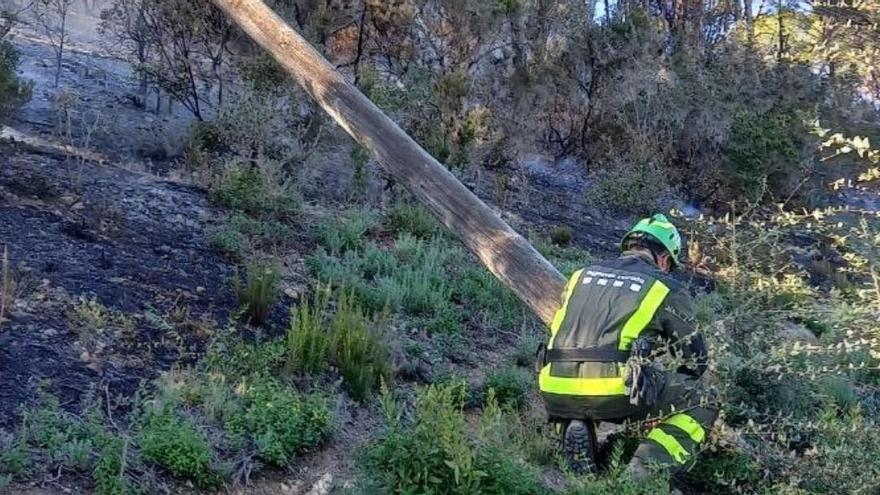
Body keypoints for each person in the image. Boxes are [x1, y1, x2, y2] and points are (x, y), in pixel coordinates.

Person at [537, 213, 716, 478]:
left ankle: (573, 425)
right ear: (664, 259)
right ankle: (644, 470)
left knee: (575, 382)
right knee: (705, 400)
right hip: (613, 388)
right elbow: (694, 360)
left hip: (552, 383)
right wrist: (661, 386)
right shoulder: (665, 285)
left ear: (628, 247)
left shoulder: (580, 275)